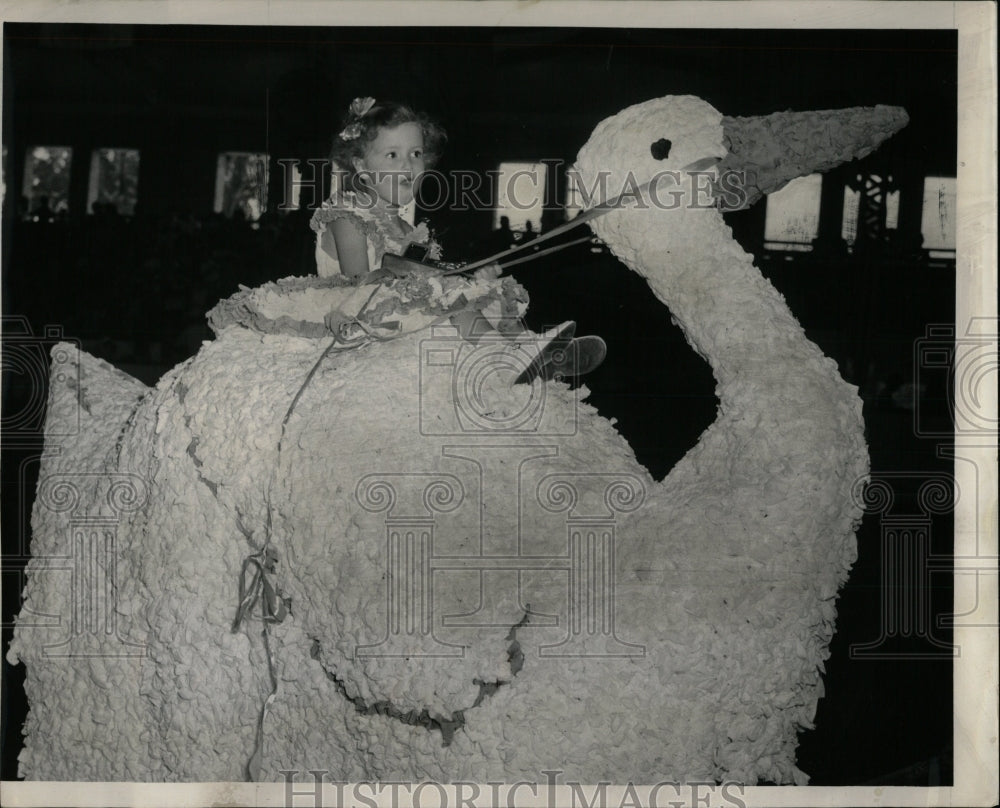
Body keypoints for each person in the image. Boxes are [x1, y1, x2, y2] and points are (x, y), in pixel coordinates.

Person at [310, 97, 604, 383]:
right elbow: (361, 288)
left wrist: (470, 279)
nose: (407, 166)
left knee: (483, 293)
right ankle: (506, 357)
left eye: (416, 154)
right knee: (450, 296)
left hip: (401, 312)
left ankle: (531, 351)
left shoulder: (405, 227)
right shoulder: (346, 215)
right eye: (392, 155)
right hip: (360, 319)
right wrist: (439, 280)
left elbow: (419, 275)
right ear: (361, 167)